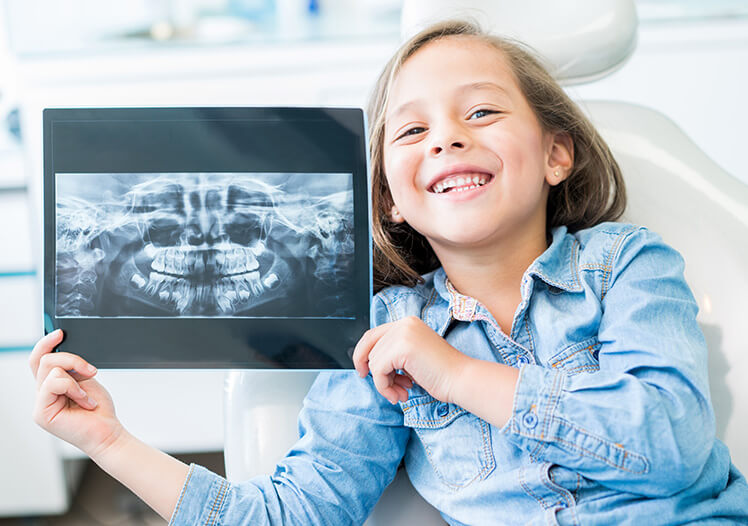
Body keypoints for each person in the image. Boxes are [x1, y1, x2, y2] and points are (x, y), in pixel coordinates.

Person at [29, 20, 748, 525]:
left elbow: (673, 447)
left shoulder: (628, 267)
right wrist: (108, 442)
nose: (448, 136)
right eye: (412, 130)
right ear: (388, 199)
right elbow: (292, 516)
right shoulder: (380, 335)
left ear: (558, 153)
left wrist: (454, 373)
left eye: (483, 110)